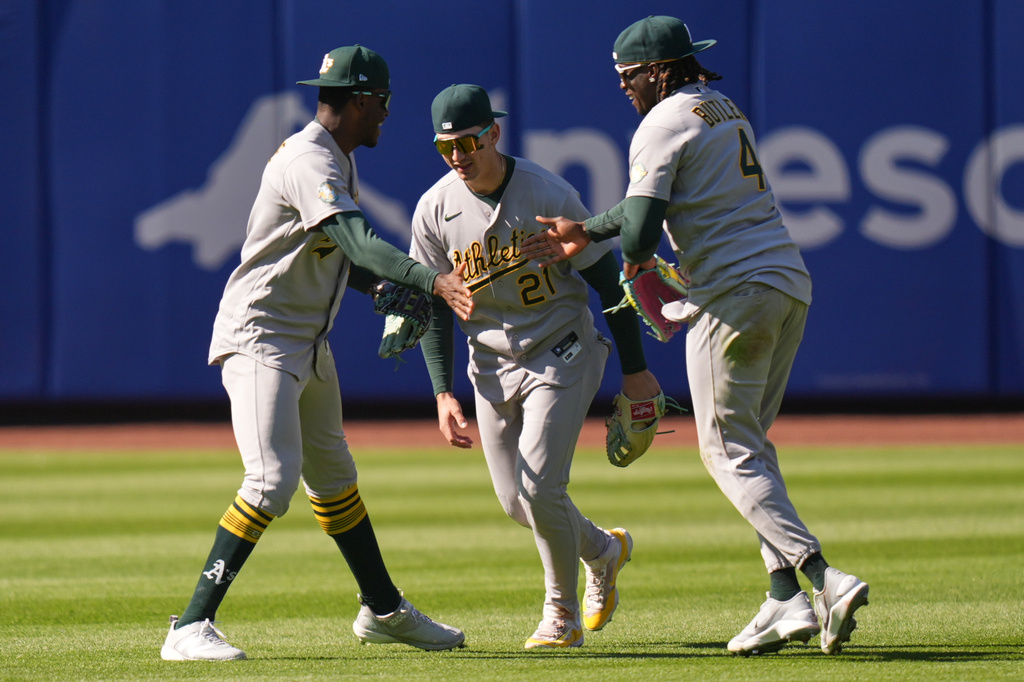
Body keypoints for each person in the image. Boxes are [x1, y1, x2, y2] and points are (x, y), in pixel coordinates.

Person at [522, 16, 869, 656]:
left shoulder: (659, 123)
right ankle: (783, 598)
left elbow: (643, 230)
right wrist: (588, 230)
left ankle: (823, 577)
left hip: (732, 294)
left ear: (658, 71)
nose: (624, 89)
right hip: (787, 284)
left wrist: (630, 262)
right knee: (751, 447)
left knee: (722, 449)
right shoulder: (721, 108)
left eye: (629, 77)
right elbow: (639, 209)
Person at [160, 45, 473, 661]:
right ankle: (189, 626)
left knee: (335, 480)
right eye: (382, 103)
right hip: (262, 338)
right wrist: (428, 280)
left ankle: (384, 611)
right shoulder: (311, 160)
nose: (386, 114)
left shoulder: (336, 157)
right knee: (271, 481)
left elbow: (333, 254)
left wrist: (382, 288)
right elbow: (356, 240)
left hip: (304, 340)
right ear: (360, 100)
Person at [399, 84, 661, 649]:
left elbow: (608, 281)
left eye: (467, 142)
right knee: (517, 503)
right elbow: (432, 305)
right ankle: (604, 550)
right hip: (489, 365)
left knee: (542, 488)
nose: (458, 156)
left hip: (561, 349)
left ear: (493, 133)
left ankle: (560, 615)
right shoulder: (434, 209)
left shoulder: (547, 192)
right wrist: (442, 391)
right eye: (446, 148)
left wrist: (635, 370)